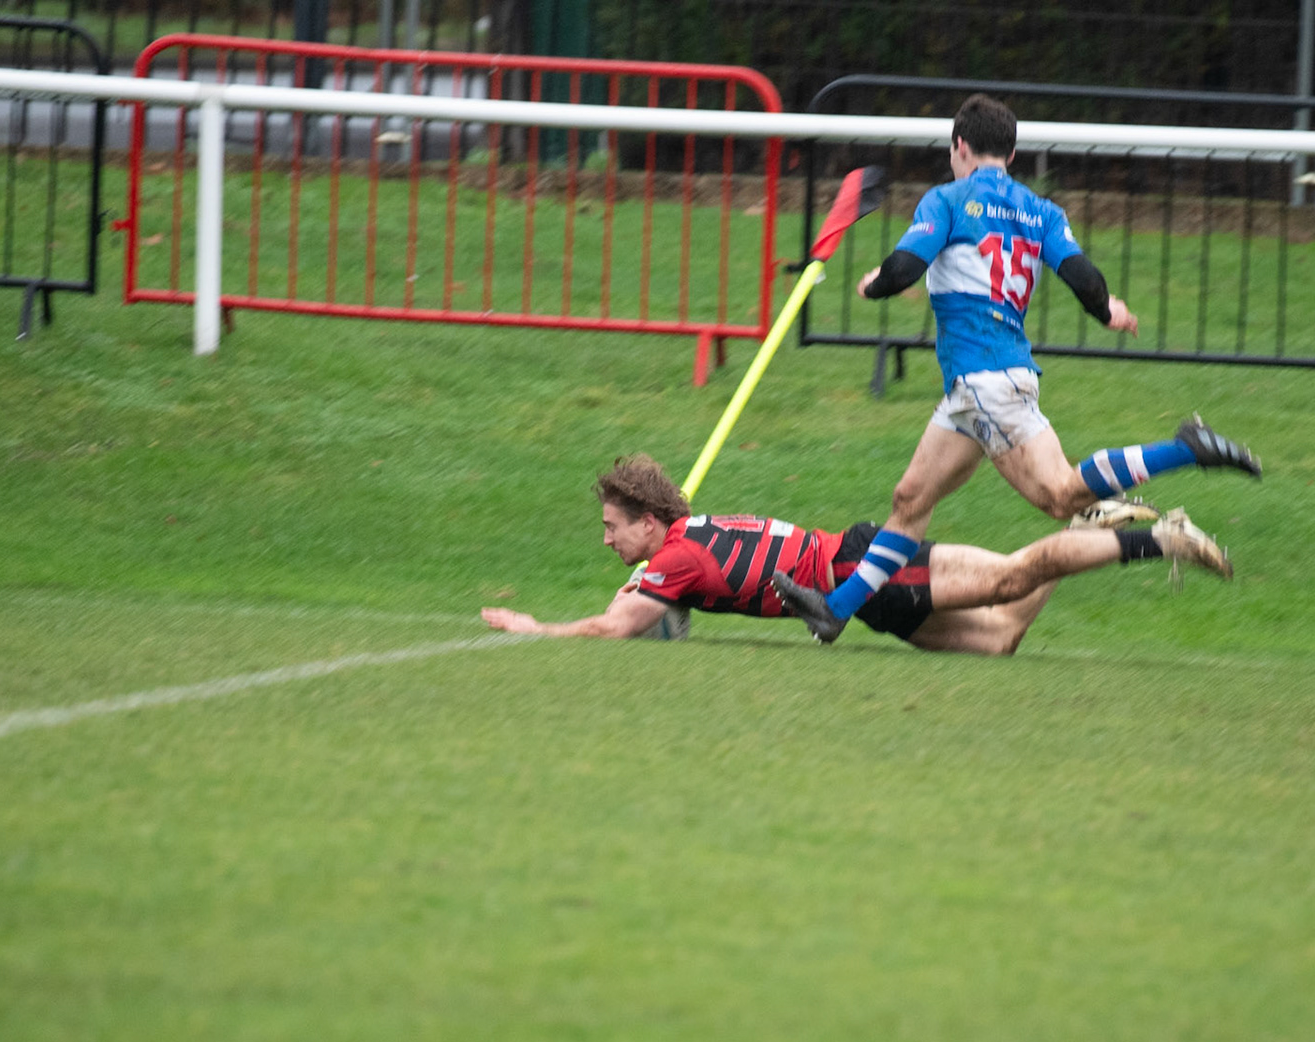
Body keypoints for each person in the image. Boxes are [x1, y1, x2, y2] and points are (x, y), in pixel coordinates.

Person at [771, 93, 1263, 644]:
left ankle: (1185, 448)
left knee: (1060, 495)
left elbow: (905, 267)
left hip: (985, 383)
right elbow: (1082, 275)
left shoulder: (947, 200)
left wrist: (873, 283)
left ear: (959, 146)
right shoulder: (1041, 210)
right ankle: (834, 610)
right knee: (910, 501)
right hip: (979, 388)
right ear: (1012, 151)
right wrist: (1110, 311)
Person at [480, 455, 1232, 657]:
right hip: (862, 581)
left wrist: (534, 629)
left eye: (615, 526)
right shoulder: (684, 538)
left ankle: (1160, 538)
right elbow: (645, 610)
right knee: (1002, 635)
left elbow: (616, 628)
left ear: (650, 521)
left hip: (866, 575)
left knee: (1011, 577)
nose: (606, 539)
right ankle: (1086, 533)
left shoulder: (668, 563)